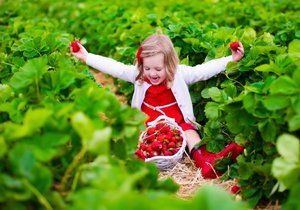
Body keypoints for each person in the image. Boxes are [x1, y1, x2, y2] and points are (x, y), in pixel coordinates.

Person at [70, 33, 245, 179]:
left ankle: (206, 163)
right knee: (135, 138)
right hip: (148, 124)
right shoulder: (138, 75)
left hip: (177, 124)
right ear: (141, 65)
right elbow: (116, 67)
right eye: (147, 68)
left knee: (191, 134)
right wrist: (87, 57)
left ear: (169, 65)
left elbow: (204, 70)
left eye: (158, 69)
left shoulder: (180, 74)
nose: (152, 73)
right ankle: (134, 166)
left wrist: (231, 59)